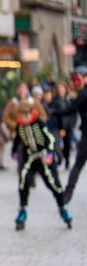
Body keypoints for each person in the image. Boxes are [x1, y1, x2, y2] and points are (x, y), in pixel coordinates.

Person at [12, 100, 72, 230]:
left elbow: (50, 139)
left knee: (53, 183)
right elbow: (17, 139)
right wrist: (14, 151)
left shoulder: (39, 123)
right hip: (30, 158)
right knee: (23, 181)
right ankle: (23, 210)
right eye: (21, 116)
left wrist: (50, 154)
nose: (24, 119)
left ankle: (63, 208)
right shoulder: (20, 125)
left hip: (44, 156)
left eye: (26, 116)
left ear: (30, 113)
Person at [53, 66, 87, 203]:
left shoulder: (85, 94)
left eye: (78, 79)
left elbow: (71, 108)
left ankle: (67, 194)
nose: (76, 82)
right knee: (78, 164)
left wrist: (52, 113)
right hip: (85, 134)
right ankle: (67, 194)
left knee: (78, 165)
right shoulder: (82, 93)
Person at [52, 81, 76, 170]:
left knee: (67, 144)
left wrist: (72, 123)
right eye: (59, 89)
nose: (61, 91)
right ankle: (61, 158)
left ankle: (67, 160)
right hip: (60, 126)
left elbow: (74, 113)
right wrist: (61, 128)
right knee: (57, 145)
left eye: (62, 89)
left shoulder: (69, 100)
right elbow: (57, 115)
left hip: (69, 125)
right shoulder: (56, 101)